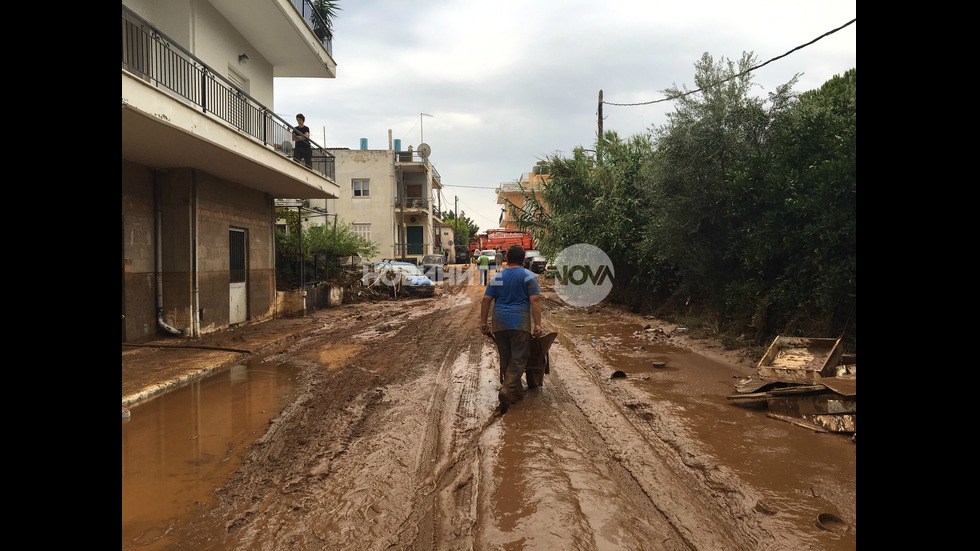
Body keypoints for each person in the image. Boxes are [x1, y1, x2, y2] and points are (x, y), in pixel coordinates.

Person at [480, 245, 543, 413]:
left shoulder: (498, 277)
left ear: (506, 258)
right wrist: (537, 325)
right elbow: (535, 300)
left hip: (499, 323)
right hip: (519, 322)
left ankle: (514, 392)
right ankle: (507, 388)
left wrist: (484, 323)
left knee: (506, 357)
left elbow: (486, 300)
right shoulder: (529, 276)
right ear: (523, 259)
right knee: (520, 357)